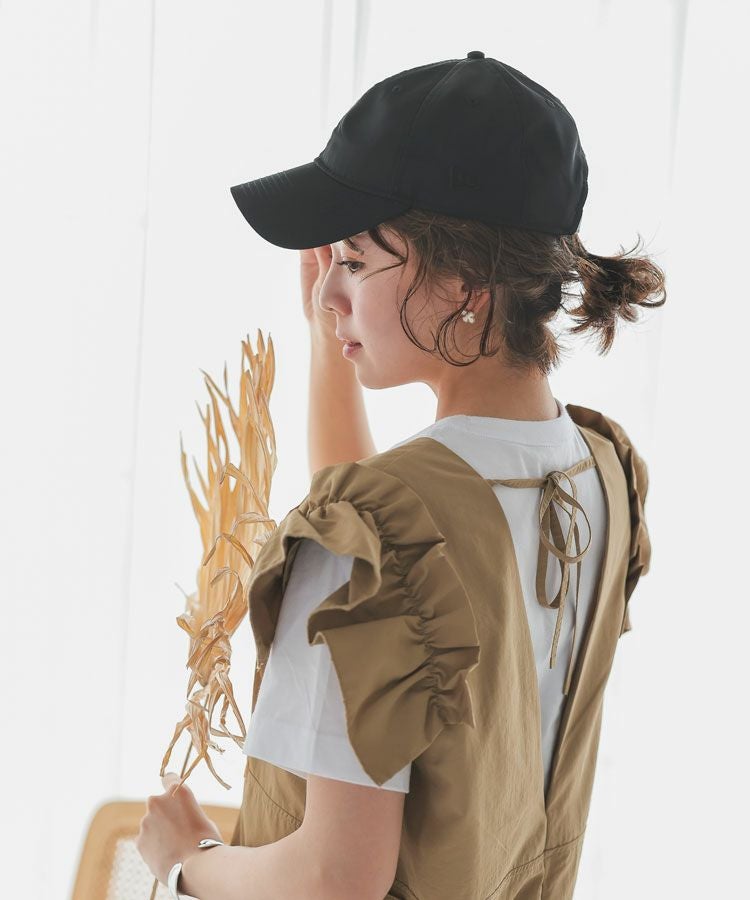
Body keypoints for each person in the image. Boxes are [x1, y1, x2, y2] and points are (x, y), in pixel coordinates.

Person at [166, 52, 665, 900]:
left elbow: (333, 879)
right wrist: (334, 340)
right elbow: (398, 593)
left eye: (356, 260)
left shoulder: (373, 537)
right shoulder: (601, 472)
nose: (327, 292)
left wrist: (187, 862)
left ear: (466, 283)